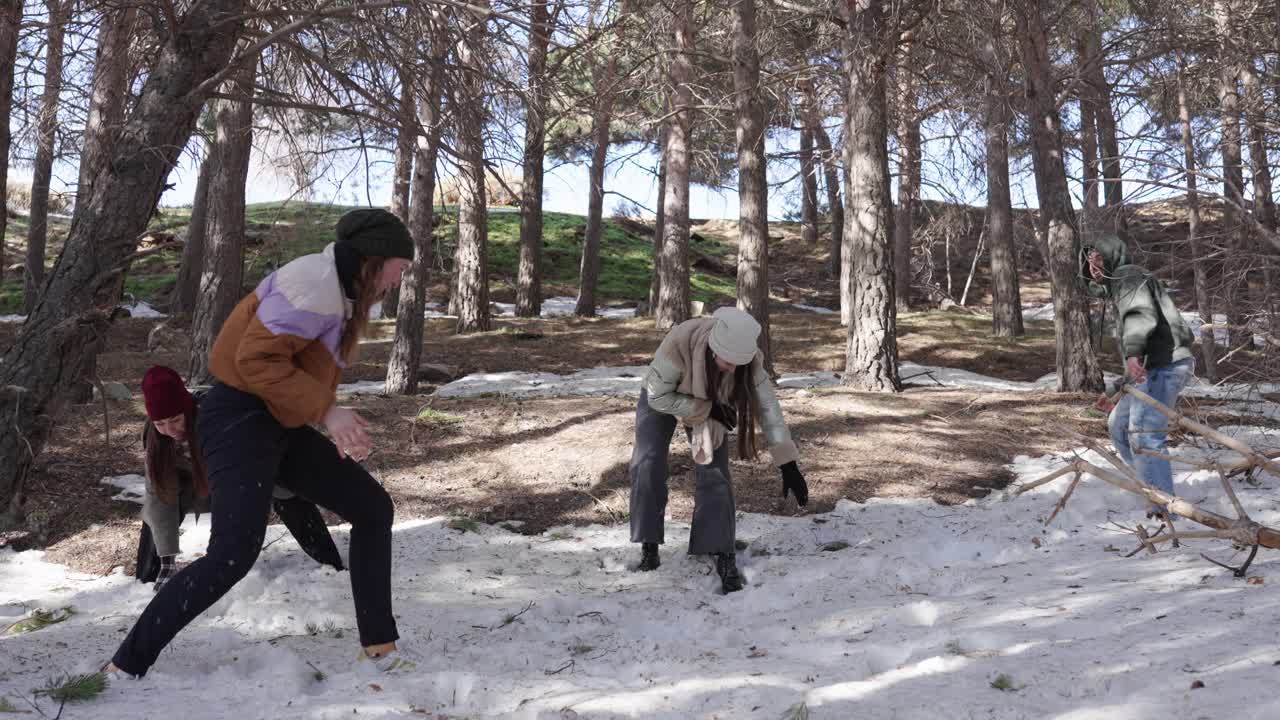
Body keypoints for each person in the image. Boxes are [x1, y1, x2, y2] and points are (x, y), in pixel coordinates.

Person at [107, 208, 414, 678]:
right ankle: (125, 664)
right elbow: (255, 361)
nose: (399, 279)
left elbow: (291, 370)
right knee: (232, 556)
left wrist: (332, 419)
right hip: (238, 417)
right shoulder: (314, 282)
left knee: (372, 508)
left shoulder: (341, 292)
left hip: (274, 420)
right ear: (375, 257)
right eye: (400, 267)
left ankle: (380, 648)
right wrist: (328, 412)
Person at [630, 306, 808, 594]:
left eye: (739, 363)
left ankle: (721, 550)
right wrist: (706, 408)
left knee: (715, 472)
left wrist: (788, 464)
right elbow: (658, 396)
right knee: (647, 462)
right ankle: (649, 545)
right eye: (729, 361)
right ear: (714, 350)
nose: (734, 369)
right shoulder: (679, 343)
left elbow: (768, 408)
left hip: (713, 398)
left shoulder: (748, 362)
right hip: (662, 396)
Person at [133, 366, 345, 590]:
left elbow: (250, 464)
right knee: (158, 504)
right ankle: (147, 579)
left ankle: (330, 561)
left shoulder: (216, 416)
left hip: (248, 473)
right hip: (202, 487)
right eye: (160, 424)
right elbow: (158, 495)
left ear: (187, 408)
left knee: (288, 495)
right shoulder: (154, 438)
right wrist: (167, 561)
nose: (170, 430)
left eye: (175, 419)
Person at [1082, 233, 1196, 519]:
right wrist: (1113, 393)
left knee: (1144, 434)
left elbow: (1140, 315)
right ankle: (1151, 485)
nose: (1093, 266)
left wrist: (1132, 352)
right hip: (1155, 368)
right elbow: (1140, 364)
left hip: (1166, 366)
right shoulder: (1121, 284)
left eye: (1098, 257)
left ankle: (1162, 508)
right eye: (1088, 261)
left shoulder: (1128, 275)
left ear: (1111, 255)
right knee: (1119, 426)